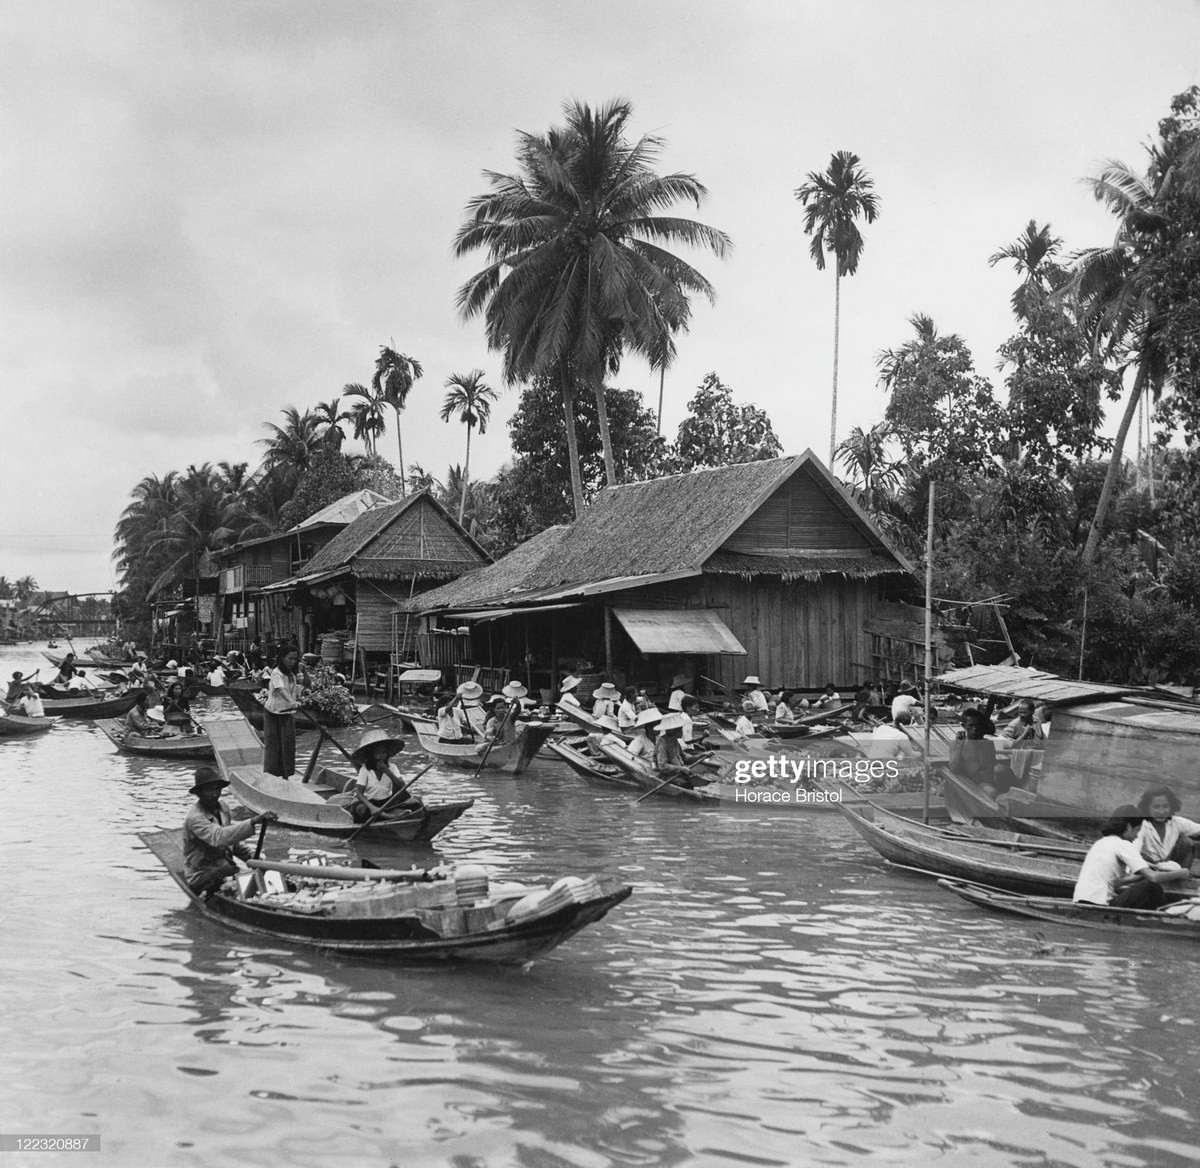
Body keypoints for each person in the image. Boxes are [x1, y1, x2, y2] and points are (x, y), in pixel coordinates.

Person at [183, 767, 276, 897]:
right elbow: (219, 837)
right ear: (199, 793)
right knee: (236, 875)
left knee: (263, 876)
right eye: (209, 790)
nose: (215, 794)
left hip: (224, 868)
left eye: (217, 789)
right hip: (203, 874)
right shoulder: (195, 818)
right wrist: (253, 821)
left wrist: (255, 859)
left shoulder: (223, 808)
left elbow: (233, 843)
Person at [1074, 804, 1190, 909]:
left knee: (1144, 887)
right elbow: (1154, 878)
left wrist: (1151, 868)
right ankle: (1162, 917)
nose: (1136, 836)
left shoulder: (1101, 842)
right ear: (1129, 827)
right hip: (1101, 903)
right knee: (1152, 887)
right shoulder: (1123, 844)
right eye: (1137, 830)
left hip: (1081, 899)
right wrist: (1183, 872)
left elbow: (1119, 882)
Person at [330, 728, 421, 822]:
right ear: (371, 755)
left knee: (416, 803)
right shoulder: (364, 770)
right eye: (378, 753)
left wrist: (387, 771)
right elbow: (359, 794)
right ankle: (387, 816)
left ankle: (386, 815)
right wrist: (372, 808)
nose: (381, 756)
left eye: (384, 752)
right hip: (369, 802)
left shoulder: (392, 767)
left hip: (387, 801)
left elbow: (402, 786)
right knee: (361, 810)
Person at [262, 644, 302, 778]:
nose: (292, 662)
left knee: (288, 746)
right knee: (273, 746)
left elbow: (305, 685)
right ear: (282, 658)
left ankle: (286, 776)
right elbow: (281, 689)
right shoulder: (276, 673)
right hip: (273, 713)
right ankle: (269, 777)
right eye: (289, 659)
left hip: (288, 713)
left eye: (295, 659)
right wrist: (292, 702)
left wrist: (305, 671)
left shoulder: (291, 674)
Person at [1136, 786, 1200, 868]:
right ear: (1147, 808)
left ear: (1171, 807)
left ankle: (1181, 877)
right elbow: (1135, 851)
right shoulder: (1141, 826)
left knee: (1186, 842)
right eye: (1156, 807)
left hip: (1172, 869)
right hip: (1148, 869)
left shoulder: (1176, 822)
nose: (1161, 811)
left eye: (1165, 806)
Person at [948, 707, 997, 794]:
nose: (974, 729)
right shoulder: (956, 744)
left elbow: (991, 767)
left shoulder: (987, 744)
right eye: (971, 725)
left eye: (977, 725)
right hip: (971, 784)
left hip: (988, 782)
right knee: (992, 792)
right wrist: (960, 746)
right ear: (964, 726)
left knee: (1001, 770)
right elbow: (953, 768)